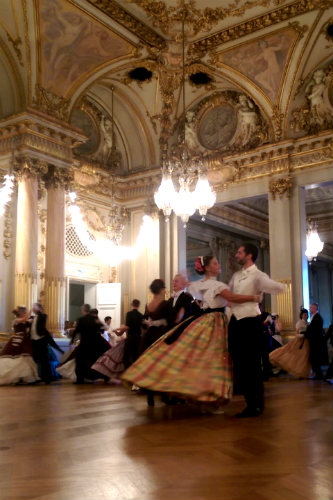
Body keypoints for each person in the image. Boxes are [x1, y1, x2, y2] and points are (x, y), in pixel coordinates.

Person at [122, 256, 261, 407]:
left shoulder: (196, 291)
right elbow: (223, 299)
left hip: (197, 324)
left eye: (176, 281)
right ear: (207, 267)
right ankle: (167, 390)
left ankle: (200, 393)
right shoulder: (196, 289)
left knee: (200, 359)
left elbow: (222, 301)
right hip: (194, 325)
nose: (173, 283)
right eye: (215, 262)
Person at [228, 243, 286, 418]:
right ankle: (249, 403)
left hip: (250, 323)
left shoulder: (258, 275)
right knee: (239, 365)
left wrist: (270, 288)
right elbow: (229, 297)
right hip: (236, 323)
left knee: (252, 365)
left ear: (249, 255)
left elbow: (277, 287)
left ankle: (256, 405)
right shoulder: (236, 276)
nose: (236, 254)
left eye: (239, 252)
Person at [0, 307, 39, 385]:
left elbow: (31, 321)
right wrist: (30, 311)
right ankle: (15, 378)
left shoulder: (25, 320)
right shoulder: (16, 320)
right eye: (25, 312)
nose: (26, 313)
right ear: (22, 313)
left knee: (25, 358)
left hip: (24, 340)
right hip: (17, 340)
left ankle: (25, 378)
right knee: (16, 357)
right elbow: (24, 319)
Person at [72, 304, 110, 384]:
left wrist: (71, 340)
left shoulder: (81, 319)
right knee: (96, 361)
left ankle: (80, 379)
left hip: (85, 343)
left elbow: (77, 331)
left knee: (80, 360)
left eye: (81, 310)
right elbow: (103, 328)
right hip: (96, 343)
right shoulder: (94, 319)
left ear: (84, 310)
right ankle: (105, 376)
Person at [269, 308, 311, 379]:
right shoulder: (299, 323)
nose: (306, 316)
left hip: (306, 341)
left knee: (304, 358)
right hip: (300, 341)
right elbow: (297, 332)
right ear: (301, 315)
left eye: (307, 315)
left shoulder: (308, 323)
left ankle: (302, 372)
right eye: (304, 315)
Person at [28, 303, 53, 384]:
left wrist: (38, 310)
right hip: (33, 341)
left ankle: (47, 378)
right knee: (34, 359)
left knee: (44, 360)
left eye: (34, 307)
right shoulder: (32, 318)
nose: (33, 308)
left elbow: (41, 317)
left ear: (39, 308)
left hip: (41, 341)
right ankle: (36, 377)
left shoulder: (43, 316)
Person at [305, 302, 324, 380]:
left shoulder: (317, 318)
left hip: (316, 341)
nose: (309, 309)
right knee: (314, 358)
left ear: (315, 308)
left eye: (311, 307)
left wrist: (306, 333)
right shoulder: (314, 317)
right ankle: (317, 373)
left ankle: (318, 374)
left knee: (315, 358)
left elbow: (314, 330)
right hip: (314, 341)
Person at [123, 300, 144, 369]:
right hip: (138, 338)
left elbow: (127, 327)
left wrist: (120, 331)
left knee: (126, 356)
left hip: (130, 337)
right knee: (136, 356)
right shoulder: (141, 315)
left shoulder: (129, 314)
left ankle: (126, 371)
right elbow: (143, 328)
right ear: (139, 305)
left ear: (131, 304)